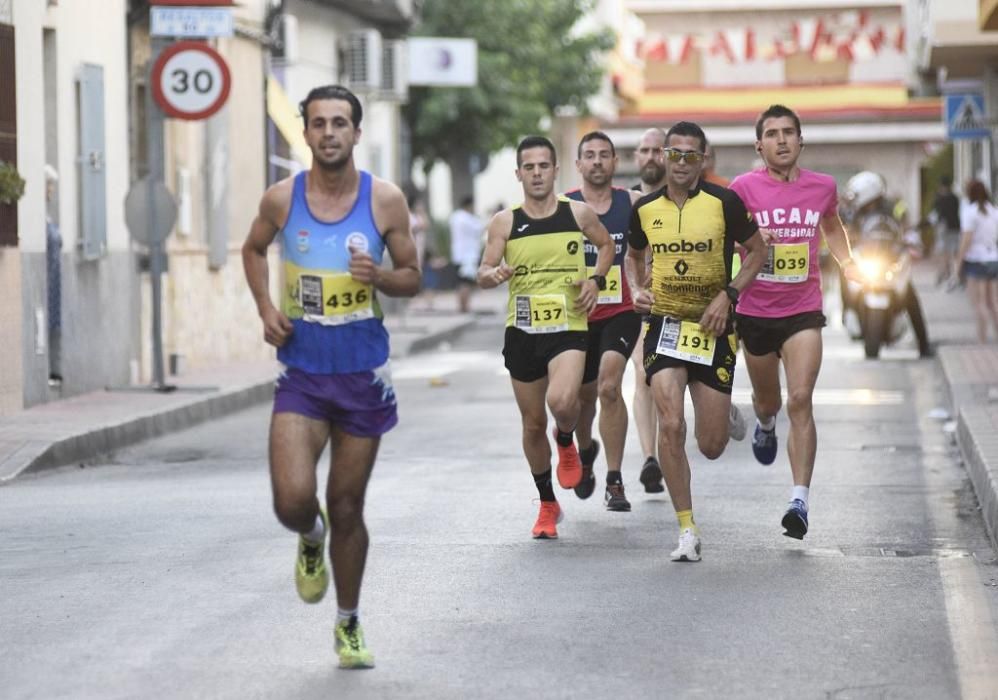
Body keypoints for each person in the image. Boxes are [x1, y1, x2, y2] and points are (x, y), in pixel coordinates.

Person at [241, 84, 420, 669]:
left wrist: (379, 277)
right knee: (294, 502)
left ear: (356, 133)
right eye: (318, 124)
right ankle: (308, 538)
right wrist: (268, 310)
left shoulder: (385, 201)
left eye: (339, 123)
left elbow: (412, 277)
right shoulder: (280, 199)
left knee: (346, 505)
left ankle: (348, 622)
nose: (329, 133)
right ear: (307, 132)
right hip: (303, 372)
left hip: (363, 373)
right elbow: (252, 249)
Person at [627, 121, 767, 561]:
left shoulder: (725, 203)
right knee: (670, 423)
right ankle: (686, 529)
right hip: (666, 327)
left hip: (714, 329)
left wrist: (730, 296)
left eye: (692, 155)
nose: (682, 163)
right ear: (664, 156)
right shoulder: (645, 208)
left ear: (703, 160)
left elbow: (758, 251)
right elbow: (633, 255)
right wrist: (637, 289)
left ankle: (723, 415)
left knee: (709, 447)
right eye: (675, 154)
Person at [729, 104, 863, 540]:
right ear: (759, 144)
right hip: (756, 310)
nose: (782, 140)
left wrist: (847, 264)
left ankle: (799, 501)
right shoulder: (742, 189)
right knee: (770, 401)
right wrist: (751, 242)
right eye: (772, 134)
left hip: (803, 309)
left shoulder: (822, 187)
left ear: (801, 141)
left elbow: (832, 225)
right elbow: (726, 241)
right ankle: (765, 425)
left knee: (801, 398)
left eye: (789, 132)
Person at [478, 135, 614, 539]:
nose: (537, 173)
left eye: (544, 166)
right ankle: (547, 504)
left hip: (569, 326)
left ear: (556, 170)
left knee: (561, 401)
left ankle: (568, 438)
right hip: (522, 331)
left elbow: (606, 246)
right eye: (529, 167)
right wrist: (494, 274)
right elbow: (483, 271)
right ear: (518, 173)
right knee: (533, 423)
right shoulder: (505, 222)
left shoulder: (579, 214)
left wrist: (596, 279)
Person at [565, 131, 643, 511]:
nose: (597, 161)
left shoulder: (633, 203)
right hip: (577, 314)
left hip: (621, 312)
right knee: (582, 398)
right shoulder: (564, 206)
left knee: (610, 386)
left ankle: (614, 479)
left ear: (614, 163)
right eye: (589, 156)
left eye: (604, 155)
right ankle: (585, 449)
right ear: (578, 165)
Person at [841, 170, 931, 356]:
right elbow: (846, 231)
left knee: (910, 297)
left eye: (857, 195)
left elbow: (903, 228)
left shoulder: (892, 209)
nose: (855, 199)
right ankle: (847, 310)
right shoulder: (855, 213)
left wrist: (909, 242)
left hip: (890, 259)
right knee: (844, 276)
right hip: (867, 258)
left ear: (868, 192)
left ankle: (924, 345)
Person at [628, 128, 669, 494]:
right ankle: (649, 458)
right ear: (636, 157)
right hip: (640, 306)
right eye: (645, 150)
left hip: (685, 303)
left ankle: (723, 411)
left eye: (659, 149)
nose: (652, 156)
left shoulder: (688, 200)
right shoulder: (625, 204)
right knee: (644, 373)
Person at [957, 179, 998, 342]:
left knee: (979, 303)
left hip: (976, 260)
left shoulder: (970, 212)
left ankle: (982, 340)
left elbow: (967, 239)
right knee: (993, 302)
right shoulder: (994, 211)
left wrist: (958, 262)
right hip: (994, 258)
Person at [450, 195, 484, 313]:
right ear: (469, 205)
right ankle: (464, 307)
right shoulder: (466, 218)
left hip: (458, 254)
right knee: (465, 282)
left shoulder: (455, 217)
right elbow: (480, 228)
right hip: (467, 255)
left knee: (461, 281)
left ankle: (462, 306)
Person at [932, 175, 962, 288]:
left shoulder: (940, 198)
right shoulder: (955, 197)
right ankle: (953, 275)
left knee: (944, 252)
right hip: (955, 227)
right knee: (953, 252)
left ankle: (944, 273)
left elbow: (937, 214)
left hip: (944, 228)